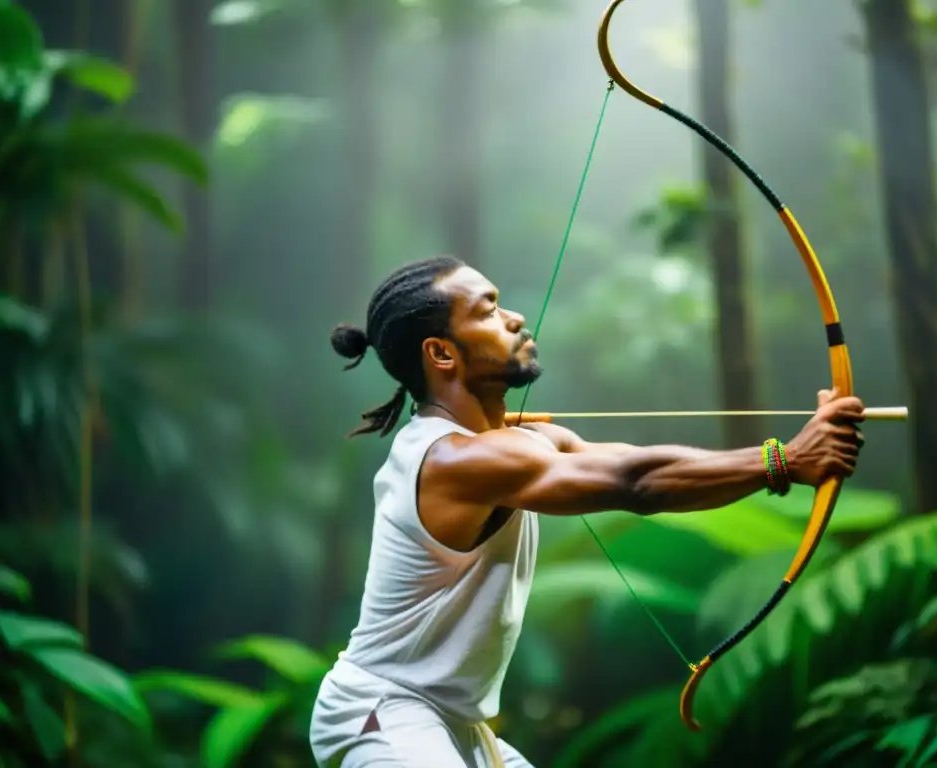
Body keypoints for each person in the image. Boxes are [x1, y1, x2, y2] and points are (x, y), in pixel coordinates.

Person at [309, 256, 865, 768]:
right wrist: (787, 460)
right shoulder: (455, 459)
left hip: (454, 723)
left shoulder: (511, 444)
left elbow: (628, 464)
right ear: (442, 353)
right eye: (490, 309)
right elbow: (637, 484)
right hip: (384, 714)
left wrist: (790, 455)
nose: (515, 317)